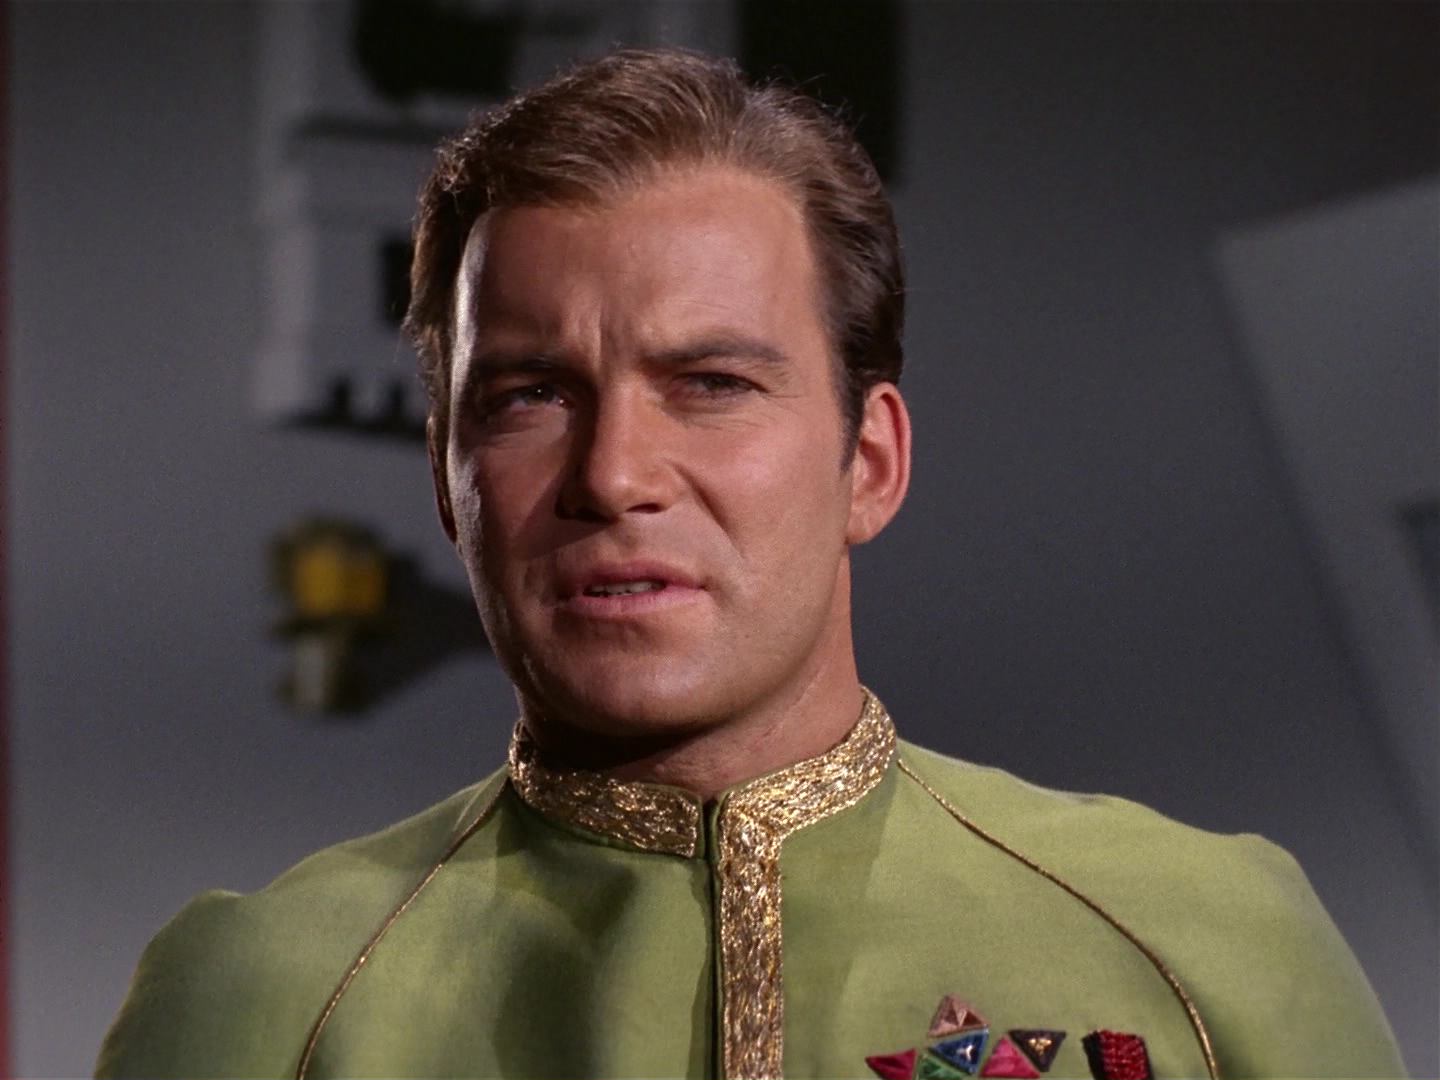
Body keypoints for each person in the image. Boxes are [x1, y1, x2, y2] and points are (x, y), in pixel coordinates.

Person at [96, 48, 1406, 1080]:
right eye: (531, 395)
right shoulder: (268, 998)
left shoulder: (1207, 943)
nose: (614, 473)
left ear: (868, 462)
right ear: (448, 480)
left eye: (711, 383)